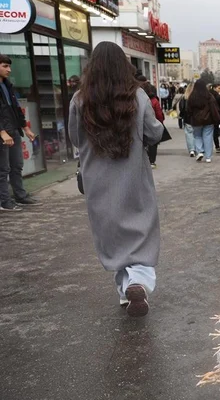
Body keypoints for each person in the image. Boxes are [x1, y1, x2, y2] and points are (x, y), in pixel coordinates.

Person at [68, 42, 163, 317]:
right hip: (133, 177)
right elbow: (154, 132)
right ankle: (138, 282)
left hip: (97, 180)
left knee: (112, 234)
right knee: (141, 231)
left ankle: (125, 290)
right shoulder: (137, 96)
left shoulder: (79, 99)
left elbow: (75, 138)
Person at [0, 54, 40, 212]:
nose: (9, 69)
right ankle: (4, 201)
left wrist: (26, 128)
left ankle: (20, 196)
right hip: (3, 133)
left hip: (14, 130)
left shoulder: (7, 85)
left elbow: (16, 108)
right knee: (3, 169)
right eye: (5, 66)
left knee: (16, 165)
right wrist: (2, 132)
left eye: (9, 66)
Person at [185, 79, 219, 163]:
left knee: (197, 136)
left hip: (196, 121)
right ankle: (208, 157)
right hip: (208, 120)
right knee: (208, 137)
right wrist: (216, 119)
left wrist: (191, 117)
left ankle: (200, 151)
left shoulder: (192, 97)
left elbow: (188, 109)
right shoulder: (209, 96)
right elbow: (213, 108)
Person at [142, 83, 165, 168]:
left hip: (143, 124)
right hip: (153, 123)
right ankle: (152, 161)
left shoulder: (141, 100)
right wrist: (161, 122)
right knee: (153, 144)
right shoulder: (154, 100)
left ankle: (146, 159)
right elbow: (159, 113)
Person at [178, 83, 195, 157]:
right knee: (197, 135)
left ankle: (191, 150)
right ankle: (198, 148)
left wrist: (182, 115)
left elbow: (181, 108)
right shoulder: (198, 97)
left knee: (189, 134)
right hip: (197, 119)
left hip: (187, 119)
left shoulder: (184, 98)